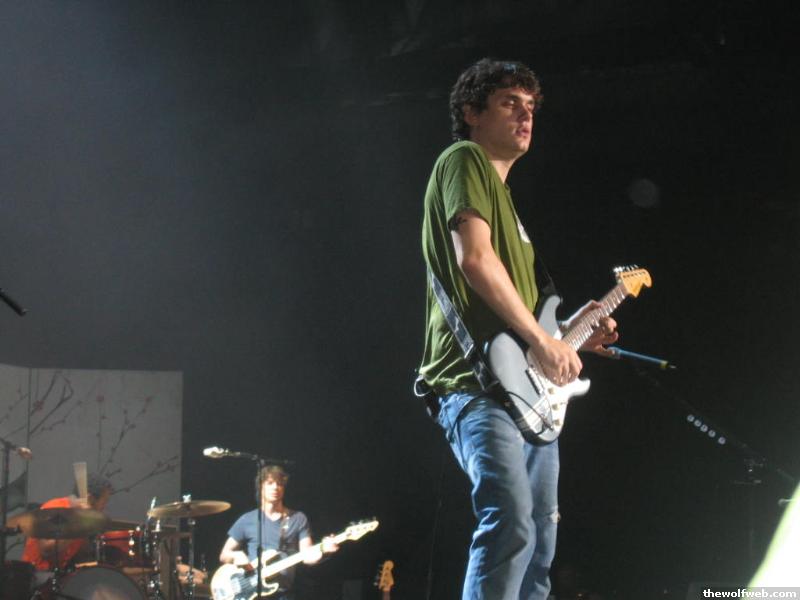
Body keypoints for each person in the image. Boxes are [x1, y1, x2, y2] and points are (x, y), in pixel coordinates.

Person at [418, 58, 619, 600]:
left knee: (539, 542)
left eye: (531, 106)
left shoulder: (507, 205)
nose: (525, 116)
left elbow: (523, 320)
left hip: (524, 394)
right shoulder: (463, 160)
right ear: (471, 112)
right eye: (510, 103)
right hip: (474, 384)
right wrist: (542, 340)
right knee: (510, 521)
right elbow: (475, 261)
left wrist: (571, 334)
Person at [219, 464, 337, 600]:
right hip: (254, 592)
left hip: (285, 594)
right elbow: (224, 555)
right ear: (260, 487)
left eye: (280, 484)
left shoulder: (298, 518)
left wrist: (325, 551)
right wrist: (236, 556)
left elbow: (307, 557)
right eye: (270, 483)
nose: (275, 487)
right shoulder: (247, 519)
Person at [21, 472, 113, 571]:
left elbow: (80, 557)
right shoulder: (55, 508)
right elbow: (46, 550)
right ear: (90, 499)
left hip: (59, 574)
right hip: (36, 573)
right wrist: (77, 525)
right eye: (104, 502)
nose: (104, 507)